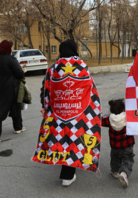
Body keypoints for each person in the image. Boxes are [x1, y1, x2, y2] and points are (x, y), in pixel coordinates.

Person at [35, 39, 102, 187]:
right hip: (79, 113)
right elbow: (90, 90)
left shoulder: (52, 68)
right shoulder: (81, 66)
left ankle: (67, 172)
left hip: (58, 112)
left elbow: (46, 89)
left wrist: (45, 106)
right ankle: (68, 175)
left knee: (62, 139)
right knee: (74, 140)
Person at [0, 40, 26, 143]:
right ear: (7, 48)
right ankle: (17, 128)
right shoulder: (10, 59)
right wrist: (23, 70)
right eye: (11, 47)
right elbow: (20, 74)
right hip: (9, 89)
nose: (12, 49)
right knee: (15, 107)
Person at [102, 99, 135, 188]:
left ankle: (115, 171)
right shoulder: (128, 118)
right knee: (128, 159)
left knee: (114, 158)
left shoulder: (109, 119)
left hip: (114, 146)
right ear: (123, 110)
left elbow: (100, 121)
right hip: (127, 145)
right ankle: (124, 173)